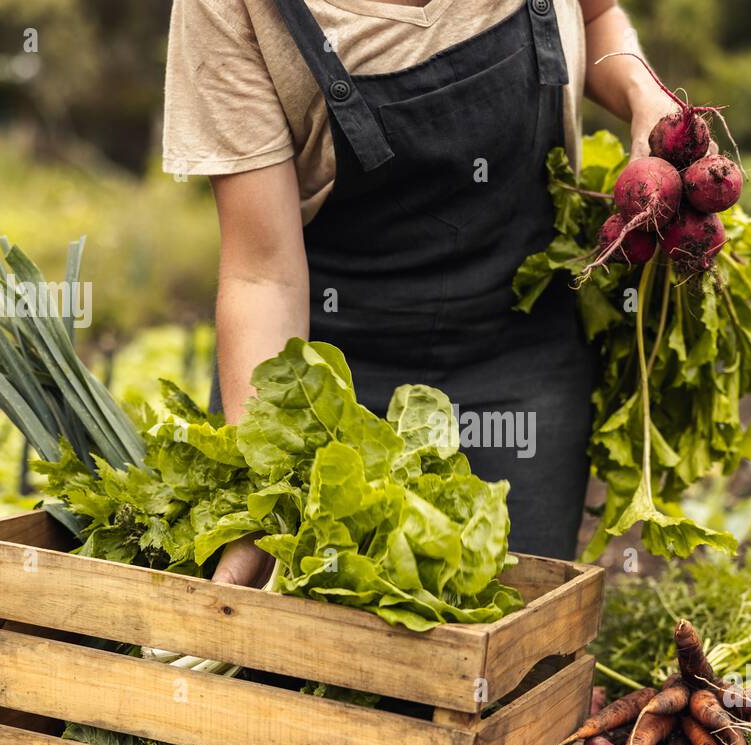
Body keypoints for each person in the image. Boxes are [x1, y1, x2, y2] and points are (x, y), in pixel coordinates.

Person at [162, 0, 677, 585]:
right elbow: (262, 275)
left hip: (523, 362)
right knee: (297, 659)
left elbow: (594, 14)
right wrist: (265, 483)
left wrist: (643, 93)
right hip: (331, 390)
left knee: (510, 649)